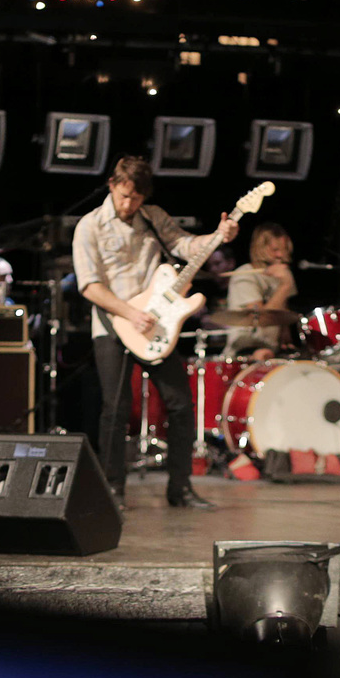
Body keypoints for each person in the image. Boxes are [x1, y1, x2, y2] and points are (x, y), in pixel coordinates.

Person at [73, 155, 240, 509]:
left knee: (181, 405)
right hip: (114, 325)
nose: (129, 204)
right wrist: (129, 312)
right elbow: (89, 286)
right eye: (124, 196)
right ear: (112, 185)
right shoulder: (90, 226)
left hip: (157, 325)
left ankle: (180, 489)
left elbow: (183, 245)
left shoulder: (152, 216)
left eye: (136, 198)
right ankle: (113, 491)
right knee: (115, 410)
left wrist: (217, 236)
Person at [225, 222, 296, 360]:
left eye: (284, 249)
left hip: (271, 349)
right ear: (261, 248)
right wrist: (285, 285)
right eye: (275, 249)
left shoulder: (281, 275)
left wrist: (286, 340)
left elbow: (283, 316)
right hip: (245, 350)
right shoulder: (245, 275)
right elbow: (260, 319)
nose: (281, 254)